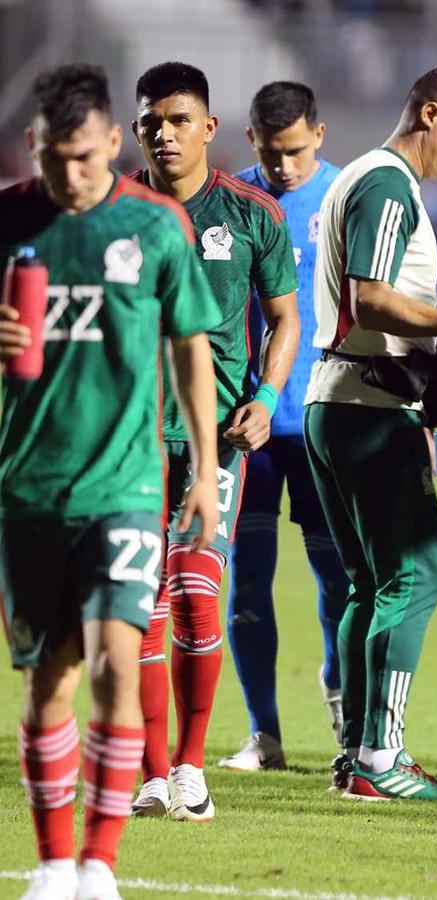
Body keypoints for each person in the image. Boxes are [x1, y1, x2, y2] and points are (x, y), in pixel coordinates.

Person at [0, 63, 220, 900]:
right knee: (48, 678)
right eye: (58, 159)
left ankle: (99, 867)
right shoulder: (10, 221)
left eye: (88, 158)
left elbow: (190, 351)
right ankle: (53, 866)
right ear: (34, 146)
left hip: (127, 484)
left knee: (116, 666)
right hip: (26, 489)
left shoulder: (156, 226)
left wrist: (201, 472)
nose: (74, 176)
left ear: (113, 144)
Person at [305, 63, 437, 802]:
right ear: (427, 113)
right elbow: (373, 301)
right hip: (367, 407)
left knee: (369, 586)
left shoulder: (367, 179)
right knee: (413, 578)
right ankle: (382, 761)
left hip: (345, 399)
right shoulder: (386, 181)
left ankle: (358, 758)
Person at [128, 61, 300, 823]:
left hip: (212, 443)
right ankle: (151, 772)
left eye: (176, 119)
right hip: (125, 445)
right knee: (141, 607)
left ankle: (191, 765)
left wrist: (265, 397)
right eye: (150, 122)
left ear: (209, 128)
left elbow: (287, 319)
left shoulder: (253, 214)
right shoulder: (113, 212)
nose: (163, 133)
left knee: (198, 598)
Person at [219, 81, 349, 772]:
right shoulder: (231, 202)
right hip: (248, 424)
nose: (285, 168)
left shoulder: (346, 197)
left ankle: (342, 717)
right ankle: (263, 734)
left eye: (296, 151)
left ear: (319, 136)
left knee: (336, 581)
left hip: (324, 419)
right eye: (272, 154)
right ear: (251, 143)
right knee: (247, 582)